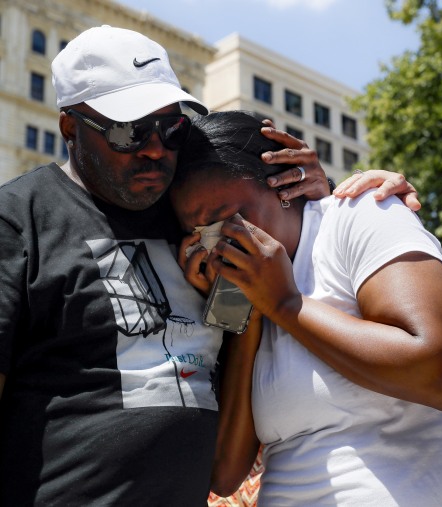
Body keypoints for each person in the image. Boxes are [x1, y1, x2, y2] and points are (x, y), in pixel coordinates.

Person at [0, 25, 336, 505]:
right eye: (127, 132)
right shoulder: (18, 221)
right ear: (70, 128)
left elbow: (225, 472)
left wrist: (331, 194)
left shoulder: (195, 215)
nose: (155, 148)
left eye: (171, 128)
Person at [170, 110, 442, 506]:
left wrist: (286, 304)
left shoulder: (360, 213)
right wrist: (251, 313)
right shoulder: (240, 297)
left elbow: (438, 375)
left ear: (282, 184)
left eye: (227, 221)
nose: (218, 243)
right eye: (199, 235)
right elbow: (225, 473)